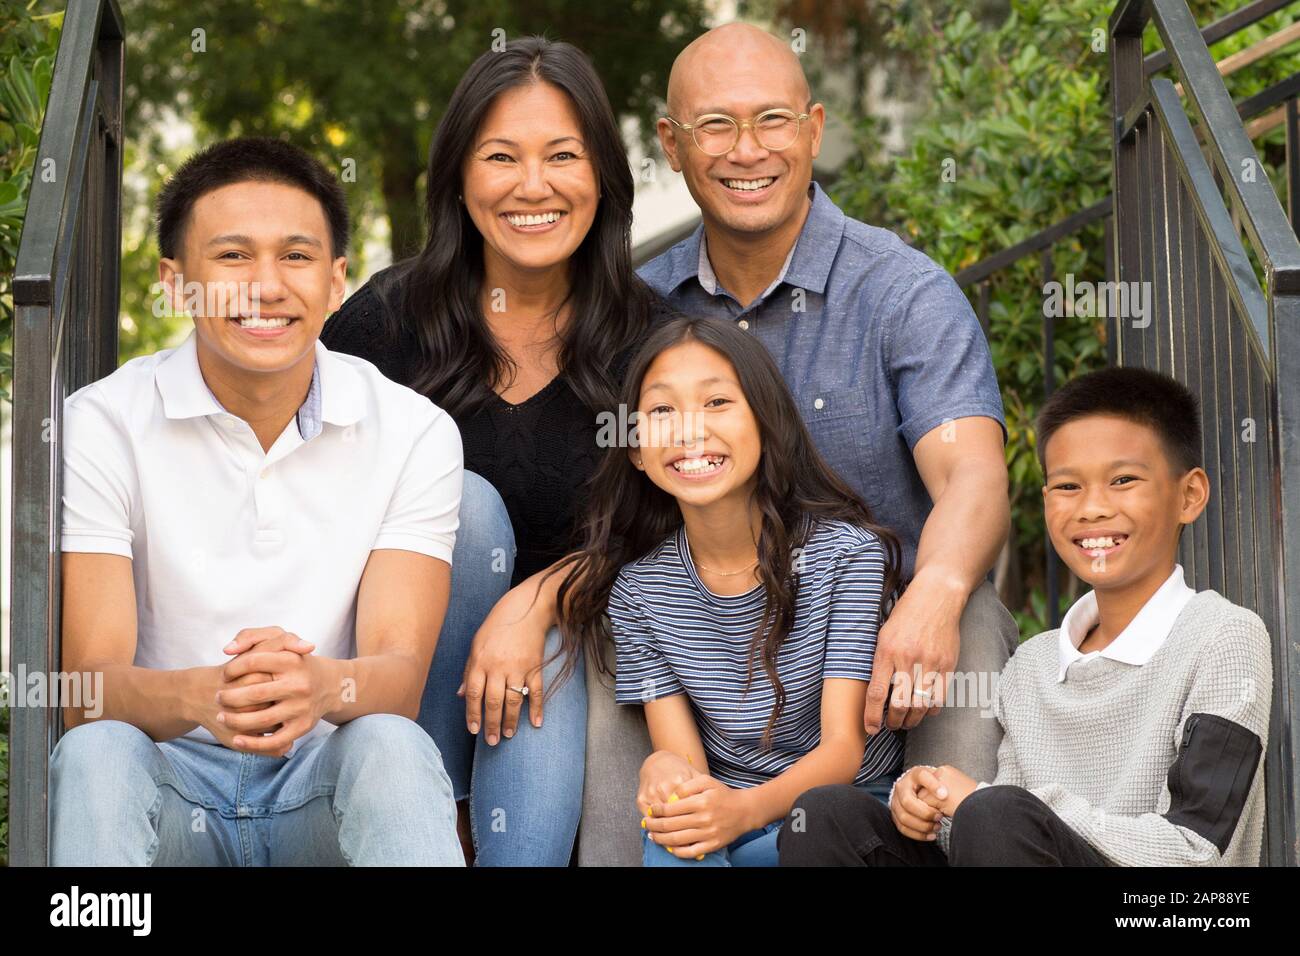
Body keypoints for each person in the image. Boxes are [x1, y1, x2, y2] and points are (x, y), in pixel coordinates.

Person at [571, 21, 1016, 866]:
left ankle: (953, 846)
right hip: (708, 634)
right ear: (671, 144)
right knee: (599, 644)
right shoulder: (636, 307)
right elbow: (609, 504)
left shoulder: (900, 290)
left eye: (772, 120)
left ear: (813, 129)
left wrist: (938, 590)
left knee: (976, 620)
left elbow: (972, 473)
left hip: (888, 624)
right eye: (715, 126)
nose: (747, 151)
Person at [50, 137, 464, 866]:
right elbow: (88, 689)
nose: (266, 286)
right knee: (96, 752)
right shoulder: (101, 422)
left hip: (321, 790)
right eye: (233, 256)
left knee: (391, 745)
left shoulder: (412, 430)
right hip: (170, 783)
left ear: (337, 282)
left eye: (297, 257)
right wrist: (208, 696)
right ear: (176, 283)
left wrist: (318, 687)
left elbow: (398, 682)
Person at [320, 36, 669, 865]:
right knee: (466, 507)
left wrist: (540, 598)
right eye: (501, 157)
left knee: (545, 651)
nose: (533, 186)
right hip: (393, 661)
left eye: (562, 156)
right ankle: (431, 820)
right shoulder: (385, 324)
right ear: (459, 177)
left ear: (603, 178)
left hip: (565, 656)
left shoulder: (651, 343)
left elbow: (676, 523)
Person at [779, 367, 1273, 866]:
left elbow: (1198, 851)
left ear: (1188, 495)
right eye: (1067, 487)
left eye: (1123, 480)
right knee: (827, 816)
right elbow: (997, 835)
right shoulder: (1036, 663)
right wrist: (927, 804)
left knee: (996, 814)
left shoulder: (1222, 637)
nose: (1092, 508)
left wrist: (993, 806)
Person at [552, 314, 904, 866]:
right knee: (673, 827)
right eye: (663, 410)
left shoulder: (846, 557)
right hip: (724, 820)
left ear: (767, 424)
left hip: (841, 816)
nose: (689, 430)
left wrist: (742, 812)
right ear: (637, 451)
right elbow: (685, 765)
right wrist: (662, 770)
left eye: (717, 402)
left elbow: (843, 750)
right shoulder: (639, 592)